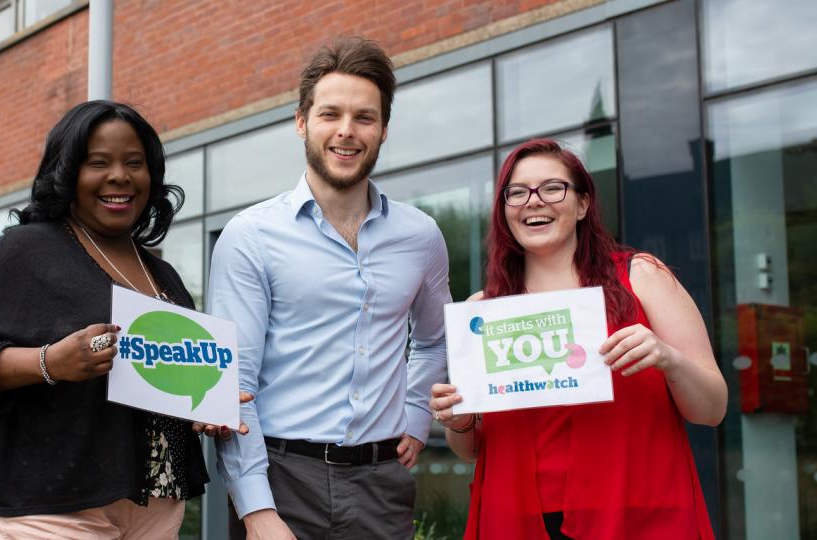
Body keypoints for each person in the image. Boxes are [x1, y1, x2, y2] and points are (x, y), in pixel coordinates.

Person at [207, 37, 451, 540]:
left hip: (383, 484)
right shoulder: (250, 236)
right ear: (302, 121)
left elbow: (434, 339)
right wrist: (255, 510)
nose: (347, 131)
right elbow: (234, 384)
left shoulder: (421, 236)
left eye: (364, 117)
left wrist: (418, 413)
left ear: (384, 129)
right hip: (281, 479)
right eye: (330, 114)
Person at [0, 100, 207, 539]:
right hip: (50, 502)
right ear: (67, 174)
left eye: (134, 163)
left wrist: (206, 401)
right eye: (98, 163)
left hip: (155, 499)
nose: (119, 176)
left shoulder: (162, 273)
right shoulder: (23, 252)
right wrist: (49, 363)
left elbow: (167, 376)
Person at [430, 139, 725, 539]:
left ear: (583, 204)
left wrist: (669, 359)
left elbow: (712, 409)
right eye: (517, 193)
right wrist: (459, 419)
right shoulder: (483, 310)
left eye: (553, 188)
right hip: (517, 518)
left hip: (636, 512)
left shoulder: (642, 278)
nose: (534, 201)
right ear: (504, 211)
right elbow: (471, 449)